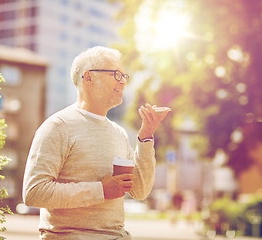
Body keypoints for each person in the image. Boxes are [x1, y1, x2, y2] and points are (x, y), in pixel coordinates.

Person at [22, 46, 170, 240]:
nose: (123, 82)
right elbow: (34, 192)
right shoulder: (57, 127)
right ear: (88, 77)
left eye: (124, 76)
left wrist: (145, 138)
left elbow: (140, 190)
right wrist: (100, 190)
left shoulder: (118, 133)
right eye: (116, 75)